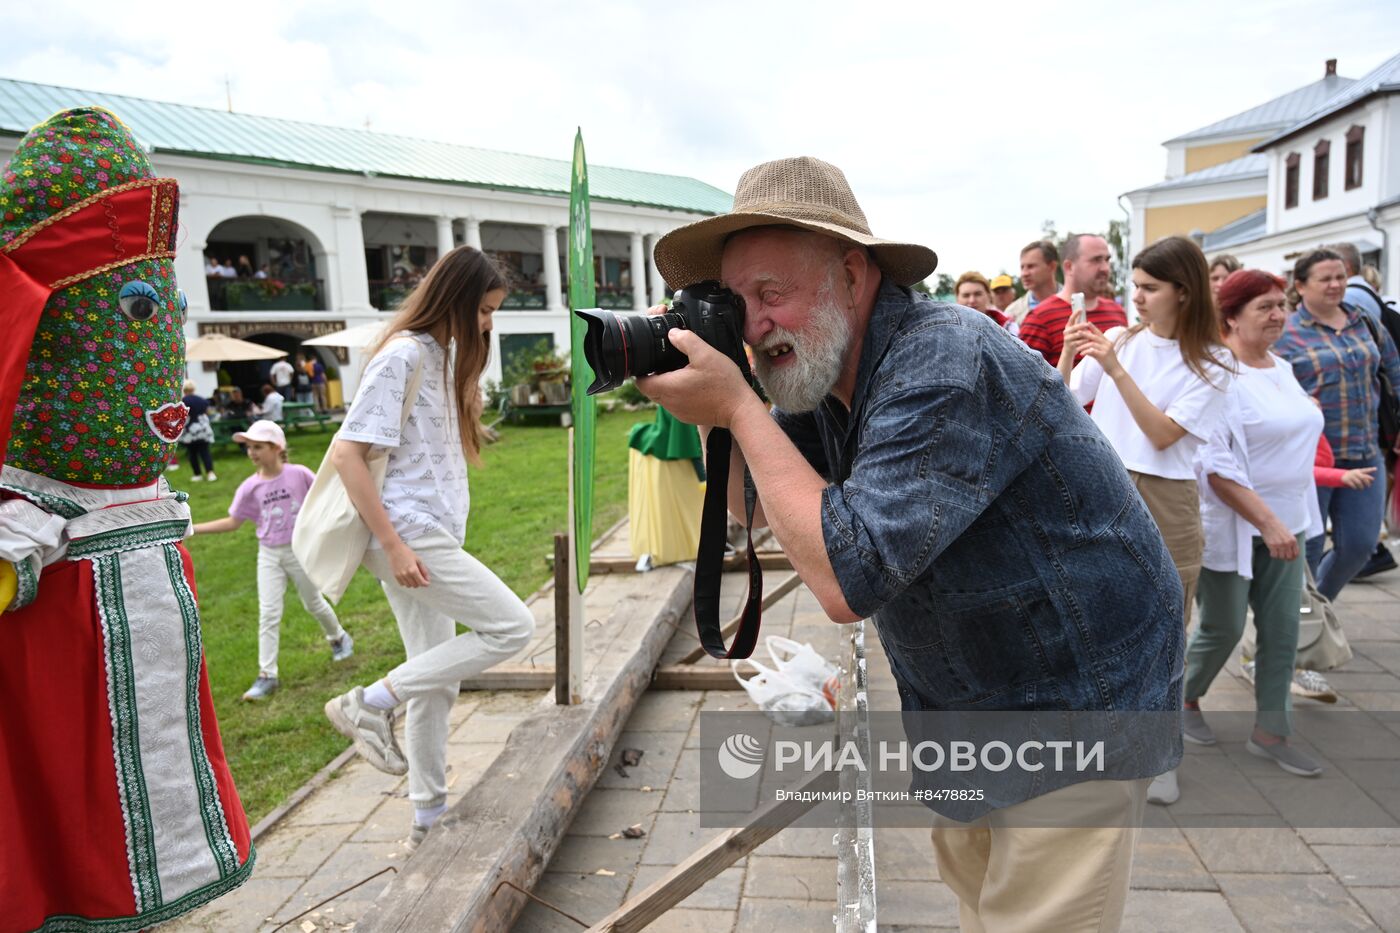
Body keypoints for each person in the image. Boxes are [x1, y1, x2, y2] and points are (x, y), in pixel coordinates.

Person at [643, 157, 1182, 932]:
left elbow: (843, 581)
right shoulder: (828, 370)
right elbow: (756, 507)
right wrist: (713, 409)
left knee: (1035, 915)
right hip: (971, 691)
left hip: (1073, 693)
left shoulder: (941, 358)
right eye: (737, 302)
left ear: (853, 275)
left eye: (773, 294)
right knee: (976, 894)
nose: (755, 324)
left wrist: (737, 406)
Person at [323, 246, 534, 849]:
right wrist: (392, 546)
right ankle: (368, 702)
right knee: (512, 628)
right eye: (486, 310)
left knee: (434, 678)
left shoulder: (442, 357)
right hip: (408, 534)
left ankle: (427, 817)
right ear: (459, 301)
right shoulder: (404, 354)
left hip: (428, 533)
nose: (490, 323)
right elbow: (347, 454)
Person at [1061, 234, 1234, 805]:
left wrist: (1114, 368)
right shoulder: (1120, 338)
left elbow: (1162, 435)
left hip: (1167, 497)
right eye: (1133, 285)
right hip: (1104, 485)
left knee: (1165, 627)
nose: (1136, 297)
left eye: (1150, 288)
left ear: (1183, 293)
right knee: (1096, 617)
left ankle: (1161, 756)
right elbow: (1063, 397)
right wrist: (1069, 351)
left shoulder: (1213, 360)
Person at [1187, 269, 1328, 781]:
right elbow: (1215, 466)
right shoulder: (1216, 375)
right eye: (1263, 307)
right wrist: (1267, 523)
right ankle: (1183, 699)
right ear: (1231, 316)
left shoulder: (1282, 368)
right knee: (1221, 629)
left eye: (1280, 304)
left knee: (1283, 632)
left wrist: (1289, 522)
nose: (1277, 315)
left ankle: (1272, 732)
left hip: (1293, 523)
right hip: (1239, 527)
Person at [192, 420, 352, 700]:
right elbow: (232, 522)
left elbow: (323, 501)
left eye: (258, 446)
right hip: (269, 554)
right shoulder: (249, 487)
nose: (252, 452)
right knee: (268, 612)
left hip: (299, 551)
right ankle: (268, 675)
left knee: (313, 602)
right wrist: (192, 529)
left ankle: (338, 637)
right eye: (249, 447)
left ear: (277, 448)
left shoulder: (299, 475)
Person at [1274, 249, 1400, 600]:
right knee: (1309, 548)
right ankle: (1298, 628)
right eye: (1325, 279)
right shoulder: (1285, 332)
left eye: (1341, 277)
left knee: (1359, 546)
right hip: (1312, 459)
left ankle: (1318, 611)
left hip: (1365, 450)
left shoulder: (1364, 320)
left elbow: (1394, 369)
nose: (1335, 285)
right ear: (1300, 285)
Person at [1019, 233, 1127, 366]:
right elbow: (1025, 381)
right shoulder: (1039, 319)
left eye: (1107, 260)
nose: (1105, 268)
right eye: (1096, 260)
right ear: (1069, 267)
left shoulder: (1117, 312)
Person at [1003, 239, 1059, 325]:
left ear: (1052, 266)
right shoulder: (1011, 313)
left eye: (1031, 266)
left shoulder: (1077, 303)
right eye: (1022, 267)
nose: (1024, 273)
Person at [180, 379, 218, 481]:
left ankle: (197, 474)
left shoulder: (183, 401)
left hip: (190, 430)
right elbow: (209, 413)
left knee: (192, 453)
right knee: (205, 451)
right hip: (203, 429)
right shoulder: (202, 400)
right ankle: (210, 473)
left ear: (184, 389)